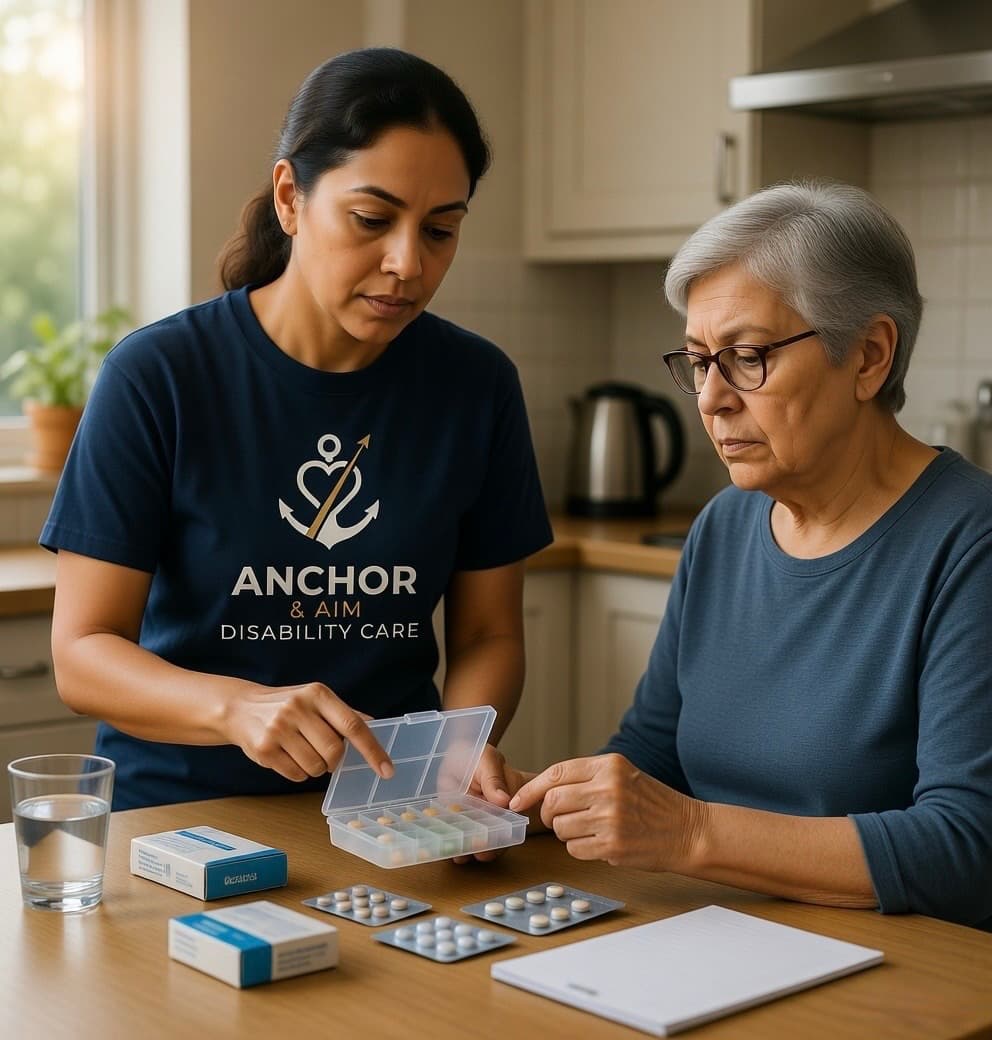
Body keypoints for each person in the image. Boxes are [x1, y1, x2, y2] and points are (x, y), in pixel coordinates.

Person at [41, 48, 552, 811]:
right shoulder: (158, 377)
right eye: (372, 220)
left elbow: (488, 637)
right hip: (177, 814)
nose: (407, 263)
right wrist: (236, 708)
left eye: (440, 231)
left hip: (386, 813)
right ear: (290, 198)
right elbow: (83, 656)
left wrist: (451, 755)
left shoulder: (477, 388)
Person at [498, 181, 992, 929]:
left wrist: (692, 833)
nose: (711, 398)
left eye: (748, 356)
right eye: (699, 361)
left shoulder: (969, 543)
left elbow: (966, 849)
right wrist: (535, 805)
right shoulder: (725, 525)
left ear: (869, 356)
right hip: (720, 934)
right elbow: (654, 754)